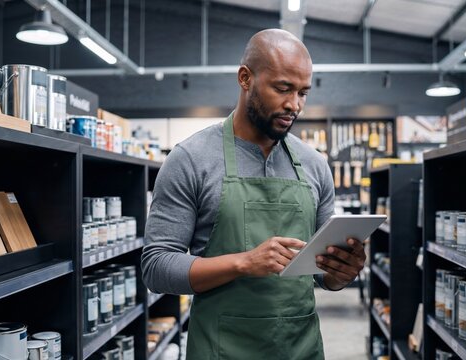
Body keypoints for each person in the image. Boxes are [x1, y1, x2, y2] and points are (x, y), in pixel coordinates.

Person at [141, 28, 367, 360]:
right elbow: (157, 266)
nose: (294, 105)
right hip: (221, 347)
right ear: (246, 78)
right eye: (282, 89)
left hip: (299, 346)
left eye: (303, 93)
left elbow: (322, 275)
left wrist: (340, 272)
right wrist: (244, 262)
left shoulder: (314, 165)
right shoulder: (191, 159)